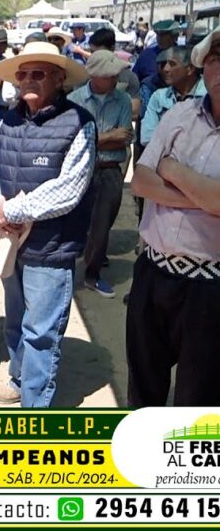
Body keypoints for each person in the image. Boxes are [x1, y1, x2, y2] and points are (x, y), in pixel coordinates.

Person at [0, 41, 95, 407]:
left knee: (41, 332)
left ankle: (35, 407)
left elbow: (68, 191)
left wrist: (11, 212)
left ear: (59, 79)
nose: (27, 79)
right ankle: (18, 380)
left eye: (38, 73)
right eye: (23, 74)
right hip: (14, 242)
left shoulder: (79, 122)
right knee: (15, 320)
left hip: (51, 246)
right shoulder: (8, 119)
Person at [126, 26, 220, 406]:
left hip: (210, 286)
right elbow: (141, 183)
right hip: (153, 271)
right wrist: (205, 197)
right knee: (143, 386)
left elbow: (160, 173)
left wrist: (174, 170)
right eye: (216, 59)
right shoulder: (180, 113)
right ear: (203, 68)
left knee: (198, 397)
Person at [68, 50, 133, 299]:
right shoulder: (75, 100)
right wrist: (107, 137)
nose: (117, 77)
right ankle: (70, 272)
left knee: (102, 226)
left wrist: (96, 139)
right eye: (111, 73)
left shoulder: (123, 100)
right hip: (81, 170)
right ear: (95, 76)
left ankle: (92, 275)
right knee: (75, 223)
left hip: (110, 172)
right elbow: (74, 139)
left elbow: (125, 137)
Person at [140, 46, 206, 147]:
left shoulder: (209, 95)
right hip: (163, 159)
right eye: (164, 64)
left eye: (172, 64)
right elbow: (147, 138)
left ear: (190, 69)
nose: (166, 69)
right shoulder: (159, 97)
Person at [87, 28, 141, 117]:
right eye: (92, 52)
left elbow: (134, 111)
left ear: (112, 48)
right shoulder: (84, 75)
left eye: (99, 52)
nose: (95, 57)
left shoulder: (128, 77)